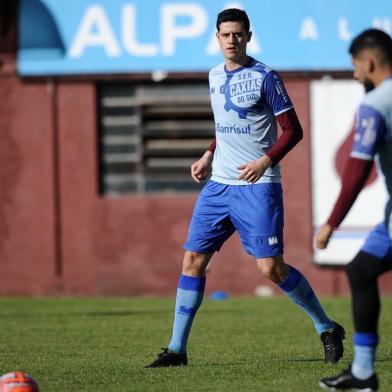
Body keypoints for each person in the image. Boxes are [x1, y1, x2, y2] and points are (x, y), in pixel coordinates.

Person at [146, 8, 344, 368]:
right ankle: (176, 350)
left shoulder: (266, 77)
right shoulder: (213, 75)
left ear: (248, 36)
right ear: (217, 37)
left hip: (258, 185)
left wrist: (264, 161)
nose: (231, 40)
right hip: (218, 185)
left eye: (238, 34)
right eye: (225, 34)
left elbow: (293, 130)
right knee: (192, 261)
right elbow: (227, 126)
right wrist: (208, 155)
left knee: (271, 269)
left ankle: (327, 327)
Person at [315, 28, 392, 392]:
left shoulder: (376, 103)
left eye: (355, 67)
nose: (354, 75)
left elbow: (358, 170)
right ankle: (363, 373)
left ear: (369, 62)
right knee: (362, 270)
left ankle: (363, 372)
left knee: (361, 271)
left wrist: (332, 223)